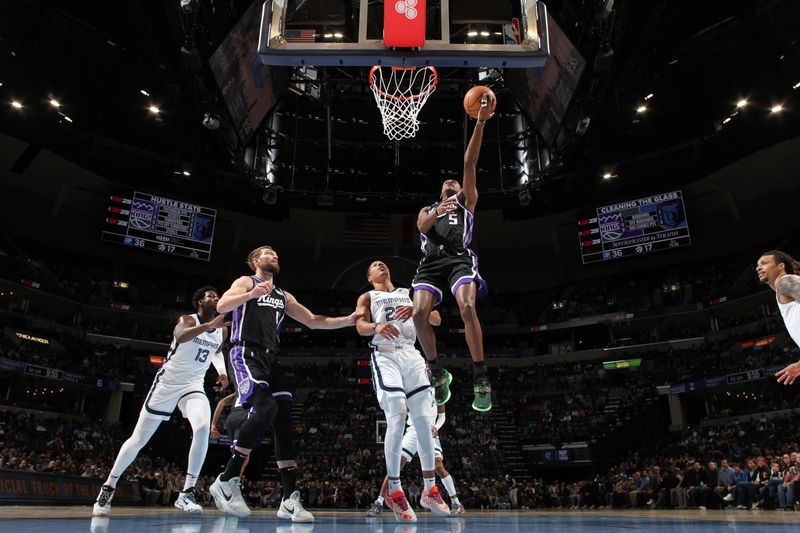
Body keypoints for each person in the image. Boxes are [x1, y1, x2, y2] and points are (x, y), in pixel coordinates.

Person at [209, 245, 362, 521]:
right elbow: (221, 306)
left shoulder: (283, 294)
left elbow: (313, 321)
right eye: (268, 252)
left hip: (270, 359)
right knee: (264, 406)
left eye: (276, 253)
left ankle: (289, 499)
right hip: (245, 352)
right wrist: (251, 294)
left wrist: (348, 320)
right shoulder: (247, 282)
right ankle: (227, 478)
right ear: (255, 260)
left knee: (283, 422)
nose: (274, 255)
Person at [93, 286, 229, 516]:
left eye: (217, 295)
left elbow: (216, 351)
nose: (215, 298)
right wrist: (207, 326)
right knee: (138, 440)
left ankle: (186, 494)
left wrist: (223, 372)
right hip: (167, 385)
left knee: (203, 428)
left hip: (193, 386)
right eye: (210, 296)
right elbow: (180, 336)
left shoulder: (221, 331)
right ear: (199, 302)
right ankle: (108, 487)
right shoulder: (188, 319)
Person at [411, 92, 495, 412]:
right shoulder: (429, 208)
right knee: (419, 314)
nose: (451, 180)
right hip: (431, 262)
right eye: (446, 181)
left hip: (459, 256)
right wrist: (437, 209)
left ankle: (480, 375)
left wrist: (480, 123)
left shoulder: (466, 200)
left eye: (454, 181)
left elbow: (468, 162)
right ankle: (435, 370)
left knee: (467, 309)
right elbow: (421, 227)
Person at [356, 260, 450, 522]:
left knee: (423, 419)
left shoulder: (408, 293)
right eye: (374, 265)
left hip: (412, 353)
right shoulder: (368, 296)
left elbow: (437, 318)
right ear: (370, 276)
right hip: (385, 354)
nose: (380, 265)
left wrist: (415, 309)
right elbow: (360, 326)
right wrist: (375, 327)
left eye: (382, 263)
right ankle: (395, 491)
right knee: (397, 413)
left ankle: (430, 489)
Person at [366, 398, 464, 517]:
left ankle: (456, 503)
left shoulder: (439, 390)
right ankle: (379, 502)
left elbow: (442, 416)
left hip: (430, 431)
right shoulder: (411, 386)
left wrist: (436, 427)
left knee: (438, 465)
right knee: (396, 464)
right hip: (413, 431)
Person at [757, 251, 800, 385]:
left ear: (780, 266)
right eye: (757, 265)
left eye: (764, 263)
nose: (758, 267)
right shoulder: (782, 290)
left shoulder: (785, 282)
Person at [210, 392, 251, 477]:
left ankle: (230, 477)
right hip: (243, 419)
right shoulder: (256, 388)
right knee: (243, 454)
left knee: (237, 452)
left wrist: (213, 424)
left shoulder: (238, 391)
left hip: (231, 421)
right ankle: (231, 478)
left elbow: (221, 403)